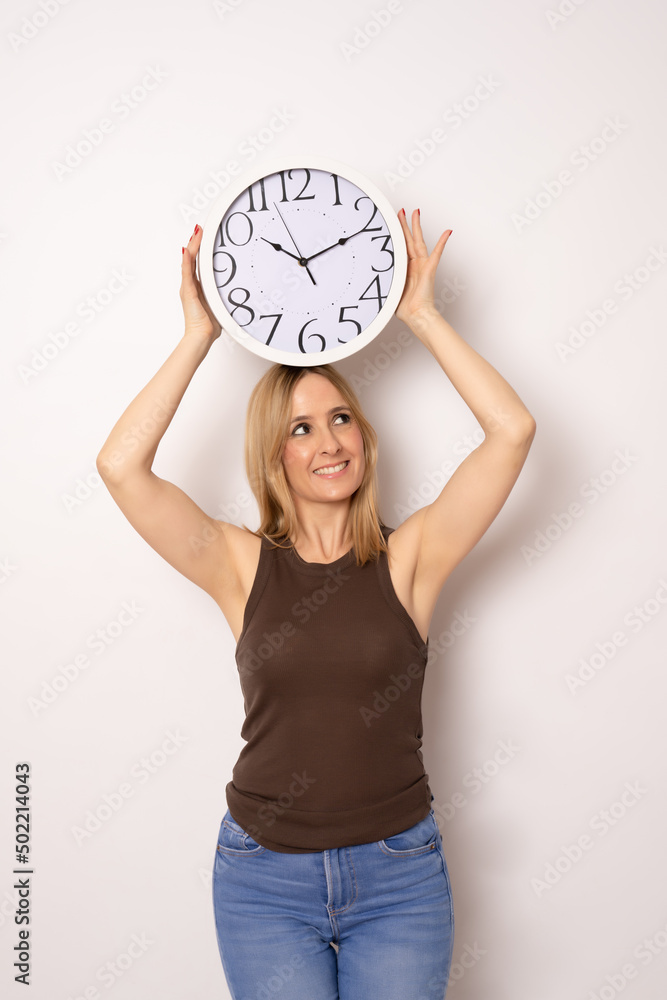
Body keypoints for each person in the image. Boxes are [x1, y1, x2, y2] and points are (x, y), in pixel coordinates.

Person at [96, 209, 536, 1000]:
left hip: (399, 877)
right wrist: (197, 336)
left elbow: (511, 430)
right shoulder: (238, 564)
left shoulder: (411, 558)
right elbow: (121, 467)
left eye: (340, 419)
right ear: (274, 456)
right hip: (262, 880)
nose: (329, 442)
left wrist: (422, 316)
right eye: (300, 429)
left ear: (364, 436)